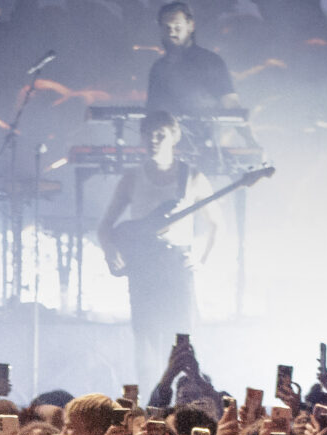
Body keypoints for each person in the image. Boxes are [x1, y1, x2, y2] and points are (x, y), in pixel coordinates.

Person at [99, 113, 202, 384]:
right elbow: (105, 226)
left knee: (181, 338)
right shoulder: (132, 178)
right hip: (143, 266)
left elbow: (217, 225)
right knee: (145, 339)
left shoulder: (191, 177)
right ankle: (147, 402)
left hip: (175, 264)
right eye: (149, 136)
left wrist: (201, 255)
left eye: (161, 135)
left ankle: (180, 404)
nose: (154, 141)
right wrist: (111, 251)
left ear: (174, 137)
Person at [144, 3, 239, 121]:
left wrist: (248, 137)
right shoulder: (158, 68)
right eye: (166, 27)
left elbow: (230, 104)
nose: (171, 33)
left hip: (202, 136)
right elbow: (152, 110)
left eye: (177, 28)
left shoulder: (210, 62)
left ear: (191, 26)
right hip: (168, 138)